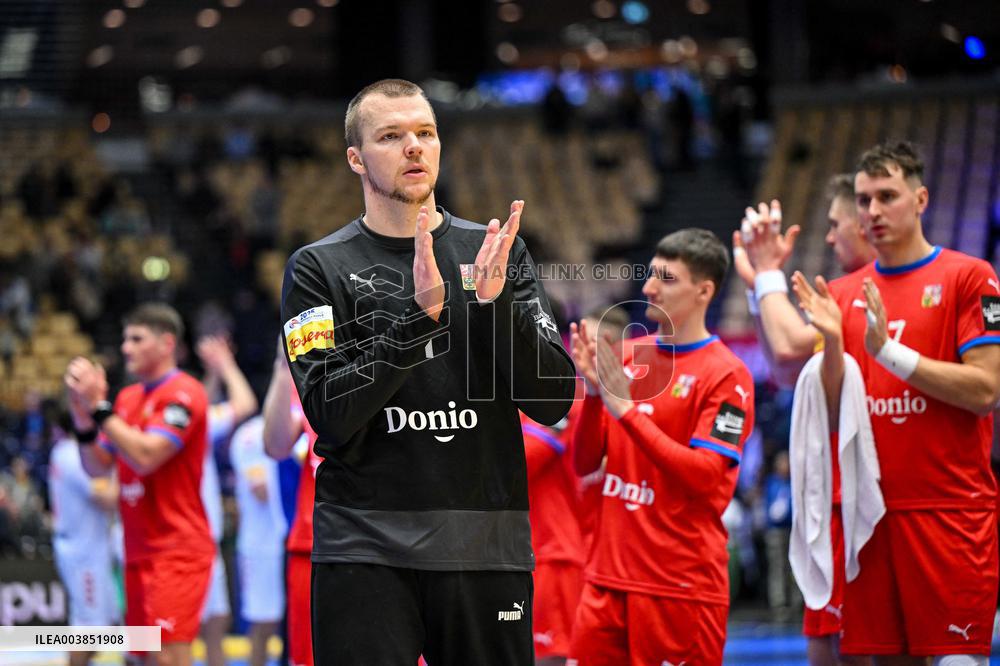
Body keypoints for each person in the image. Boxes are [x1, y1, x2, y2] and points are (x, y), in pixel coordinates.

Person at [280, 78, 576, 666]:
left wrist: (494, 307)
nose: (414, 146)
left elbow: (553, 400)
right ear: (356, 158)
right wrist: (418, 319)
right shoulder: (316, 269)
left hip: (484, 545)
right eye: (391, 136)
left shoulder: (496, 253)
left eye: (425, 133)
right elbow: (330, 416)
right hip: (365, 548)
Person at [785, 141, 1000, 664]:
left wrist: (890, 353)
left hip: (949, 513)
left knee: (957, 661)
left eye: (887, 195)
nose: (873, 211)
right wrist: (833, 348)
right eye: (863, 200)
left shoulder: (970, 277)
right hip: (869, 520)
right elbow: (833, 416)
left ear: (921, 198)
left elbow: (987, 390)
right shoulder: (837, 295)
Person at [568, 228, 755, 665]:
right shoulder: (630, 354)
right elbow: (582, 464)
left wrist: (626, 412)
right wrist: (595, 396)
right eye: (651, 275)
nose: (649, 287)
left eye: (666, 279)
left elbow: (705, 478)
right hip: (607, 580)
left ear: (704, 291)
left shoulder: (727, 375)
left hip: (679, 589)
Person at [733, 175, 875, 665]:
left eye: (836, 225)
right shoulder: (843, 289)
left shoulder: (862, 289)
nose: (830, 237)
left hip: (877, 506)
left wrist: (771, 272)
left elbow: (789, 351)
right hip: (840, 503)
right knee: (829, 648)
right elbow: (781, 363)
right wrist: (759, 292)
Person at [64, 303, 215, 666]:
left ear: (166, 343)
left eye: (136, 339)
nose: (125, 348)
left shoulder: (185, 393)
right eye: (124, 339)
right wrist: (82, 418)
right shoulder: (128, 399)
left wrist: (99, 407)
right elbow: (96, 467)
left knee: (167, 658)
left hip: (177, 551)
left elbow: (147, 457)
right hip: (137, 550)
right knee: (140, 657)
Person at [196, 334, 258, 666]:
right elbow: (245, 404)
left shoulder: (185, 423)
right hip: (190, 543)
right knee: (170, 635)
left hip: (202, 541)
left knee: (215, 622)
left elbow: (198, 409)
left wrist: (215, 374)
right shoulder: (192, 425)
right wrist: (226, 365)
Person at [262, 341, 318, 666]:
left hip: (383, 543)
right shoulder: (309, 379)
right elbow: (275, 445)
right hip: (311, 544)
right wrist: (283, 366)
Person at [49, 414, 120, 666]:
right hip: (83, 551)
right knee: (89, 630)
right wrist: (128, 462)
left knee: (107, 625)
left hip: (87, 545)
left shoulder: (62, 451)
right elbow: (108, 499)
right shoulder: (72, 455)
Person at [230, 414, 286, 666]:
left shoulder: (311, 420)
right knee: (263, 623)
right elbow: (261, 490)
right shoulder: (250, 435)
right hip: (261, 545)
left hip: (296, 540)